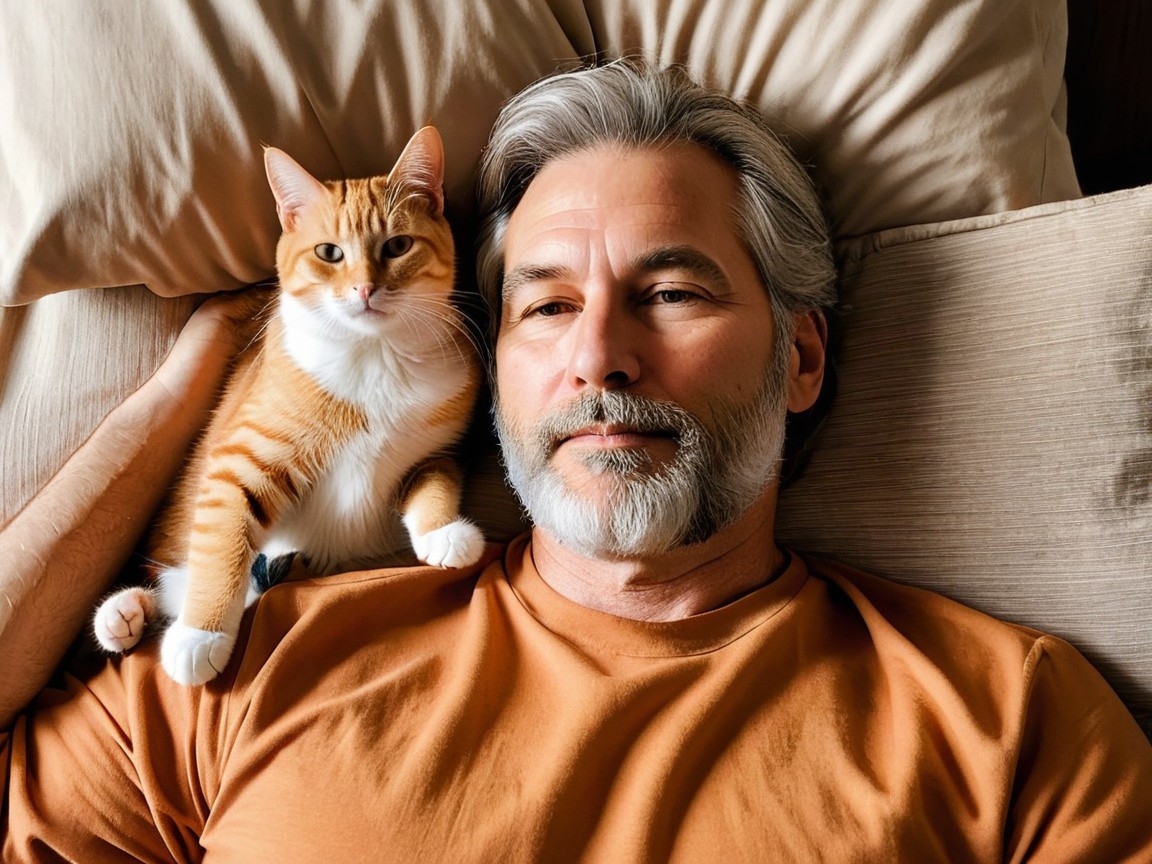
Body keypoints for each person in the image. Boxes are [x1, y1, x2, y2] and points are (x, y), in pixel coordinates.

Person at [2, 60, 1150, 862]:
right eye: (544, 308)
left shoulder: (1010, 722)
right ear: (489, 363)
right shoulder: (256, 666)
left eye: (669, 292)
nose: (600, 355)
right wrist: (177, 396)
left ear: (802, 359)